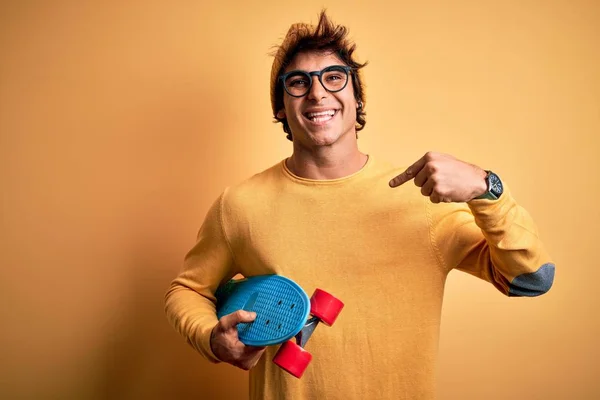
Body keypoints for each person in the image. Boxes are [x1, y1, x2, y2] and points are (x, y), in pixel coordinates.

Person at [164, 10, 555, 400]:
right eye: (298, 83)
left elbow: (531, 280)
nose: (317, 93)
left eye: (334, 78)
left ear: (357, 97)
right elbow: (189, 289)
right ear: (281, 107)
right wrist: (210, 339)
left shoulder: (422, 200)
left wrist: (486, 188)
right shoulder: (240, 205)